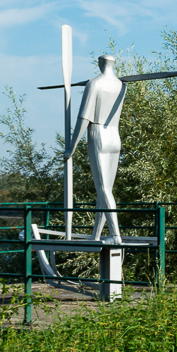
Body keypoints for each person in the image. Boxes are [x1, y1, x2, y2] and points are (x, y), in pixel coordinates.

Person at [65, 55, 127, 241]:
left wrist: (72, 147)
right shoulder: (122, 85)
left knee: (103, 188)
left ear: (99, 64)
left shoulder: (94, 84)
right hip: (115, 137)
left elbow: (84, 118)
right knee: (106, 189)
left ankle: (115, 235)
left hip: (98, 135)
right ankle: (96, 234)